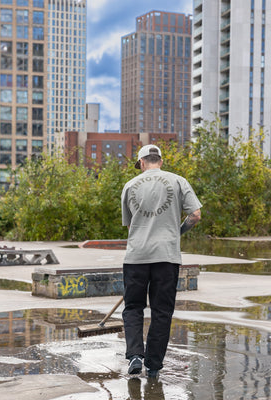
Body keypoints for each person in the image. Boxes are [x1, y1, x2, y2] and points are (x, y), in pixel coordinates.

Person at [121, 144, 202, 379]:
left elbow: (130, 227)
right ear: (161, 161)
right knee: (162, 312)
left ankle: (135, 355)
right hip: (166, 257)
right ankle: (154, 365)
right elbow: (195, 214)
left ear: (142, 162)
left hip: (136, 257)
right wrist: (177, 231)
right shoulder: (178, 181)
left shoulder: (129, 185)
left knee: (134, 308)